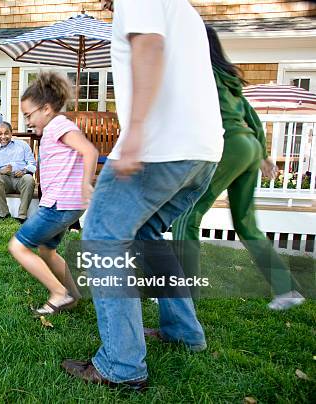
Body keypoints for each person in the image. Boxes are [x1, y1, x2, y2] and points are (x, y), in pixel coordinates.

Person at [61, 0, 225, 391]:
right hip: (201, 153)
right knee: (146, 235)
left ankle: (121, 365)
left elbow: (148, 45)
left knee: (101, 235)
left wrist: (134, 131)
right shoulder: (183, 8)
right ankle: (182, 330)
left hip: (161, 147)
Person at [172, 25, 305, 310]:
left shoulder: (198, 73)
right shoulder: (226, 76)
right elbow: (250, 114)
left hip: (228, 146)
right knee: (246, 224)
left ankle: (185, 304)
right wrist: (264, 154)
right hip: (248, 147)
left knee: (186, 216)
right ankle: (287, 289)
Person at [8, 72, 98, 316]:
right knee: (47, 250)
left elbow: (89, 151)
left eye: (29, 115)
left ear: (46, 108)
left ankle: (58, 293)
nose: (27, 121)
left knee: (18, 246)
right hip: (66, 204)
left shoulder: (58, 125)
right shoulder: (53, 129)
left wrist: (85, 184)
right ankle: (72, 295)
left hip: (60, 204)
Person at [0, 122, 36, 223]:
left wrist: (24, 171)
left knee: (29, 179)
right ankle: (4, 213)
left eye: (6, 133)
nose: (3, 136)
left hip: (21, 178)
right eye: (0, 134)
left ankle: (22, 216)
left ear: (11, 133)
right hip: (6, 180)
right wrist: (0, 171)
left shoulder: (23, 145)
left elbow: (33, 165)